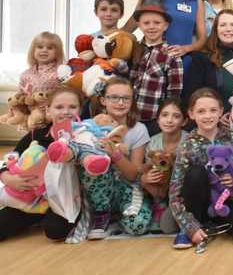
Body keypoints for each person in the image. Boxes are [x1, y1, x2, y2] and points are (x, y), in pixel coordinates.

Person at [169, 87, 233, 249]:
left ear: (221, 111)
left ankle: (214, 221)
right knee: (196, 173)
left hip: (224, 201)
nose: (208, 116)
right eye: (201, 111)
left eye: (212, 110)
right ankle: (193, 225)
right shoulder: (187, 145)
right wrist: (190, 227)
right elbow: (174, 194)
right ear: (191, 114)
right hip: (195, 206)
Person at [0, 86, 80, 241]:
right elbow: (10, 159)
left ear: (80, 110)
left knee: (56, 230)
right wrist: (7, 177)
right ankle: (34, 216)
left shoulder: (83, 136)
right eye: (59, 107)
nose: (66, 111)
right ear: (48, 111)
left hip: (65, 198)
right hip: (29, 198)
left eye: (72, 107)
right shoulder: (35, 135)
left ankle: (43, 217)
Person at [81, 77, 152, 239]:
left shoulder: (139, 129)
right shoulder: (90, 126)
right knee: (92, 165)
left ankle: (117, 215)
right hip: (97, 189)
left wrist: (116, 155)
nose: (120, 103)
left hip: (126, 187)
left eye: (126, 98)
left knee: (137, 226)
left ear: (132, 101)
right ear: (103, 100)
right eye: (114, 98)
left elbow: (133, 174)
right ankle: (101, 213)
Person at [182, 9, 233, 112]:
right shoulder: (201, 58)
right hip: (213, 119)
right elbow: (192, 96)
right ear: (215, 30)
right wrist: (217, 114)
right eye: (223, 25)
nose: (228, 29)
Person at [129, 0, 183, 135]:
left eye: (157, 23)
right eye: (146, 23)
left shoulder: (172, 55)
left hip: (155, 119)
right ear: (139, 25)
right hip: (130, 115)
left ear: (165, 25)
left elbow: (174, 92)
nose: (151, 27)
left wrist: (166, 117)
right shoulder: (134, 49)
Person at [141, 97, 187, 234]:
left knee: (168, 227)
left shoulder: (188, 140)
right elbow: (148, 166)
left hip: (181, 191)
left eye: (176, 116)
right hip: (161, 189)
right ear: (158, 119)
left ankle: (178, 210)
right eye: (165, 115)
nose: (169, 120)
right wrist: (146, 178)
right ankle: (159, 206)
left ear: (184, 121)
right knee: (145, 179)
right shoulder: (153, 142)